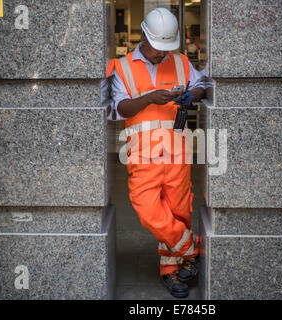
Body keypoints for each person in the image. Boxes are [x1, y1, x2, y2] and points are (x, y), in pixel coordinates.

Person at [109, 8, 205, 298]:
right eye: (157, 49)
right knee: (148, 210)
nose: (162, 55)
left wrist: (193, 95)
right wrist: (149, 98)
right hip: (141, 155)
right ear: (144, 37)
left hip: (177, 151)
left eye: (167, 49)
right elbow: (119, 109)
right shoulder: (123, 67)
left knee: (178, 211)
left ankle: (171, 271)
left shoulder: (181, 62)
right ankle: (193, 248)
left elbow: (201, 85)